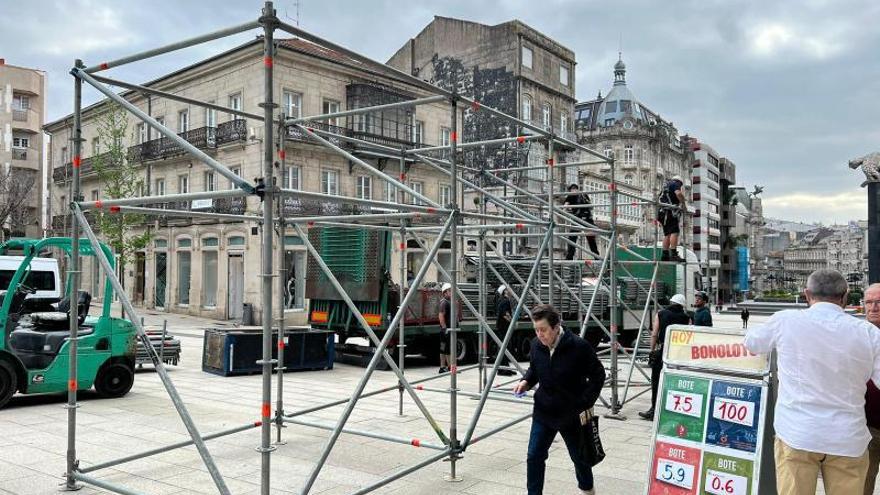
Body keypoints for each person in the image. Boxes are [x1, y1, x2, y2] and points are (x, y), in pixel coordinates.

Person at [745, 269, 880, 495]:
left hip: (798, 434)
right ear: (845, 297)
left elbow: (752, 343)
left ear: (807, 295)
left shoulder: (785, 321)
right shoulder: (868, 334)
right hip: (847, 438)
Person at [513, 304, 605, 495]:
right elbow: (534, 370)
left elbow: (598, 375)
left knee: (579, 458)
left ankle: (587, 489)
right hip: (544, 412)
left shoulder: (579, 347)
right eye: (536, 330)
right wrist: (526, 381)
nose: (540, 334)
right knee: (534, 455)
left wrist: (584, 402)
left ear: (556, 327)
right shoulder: (536, 345)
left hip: (571, 415)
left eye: (544, 330)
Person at [639, 293, 690, 420]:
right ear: (682, 305)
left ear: (671, 302)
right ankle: (672, 410)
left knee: (656, 380)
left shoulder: (661, 314)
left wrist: (652, 350)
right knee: (674, 381)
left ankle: (654, 410)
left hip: (664, 351)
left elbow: (654, 334)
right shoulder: (687, 318)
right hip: (678, 353)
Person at [864, 283, 880, 495]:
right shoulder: (855, 335)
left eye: (879, 302)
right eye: (869, 302)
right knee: (861, 487)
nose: (874, 307)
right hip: (866, 429)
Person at [562, 184, 599, 260]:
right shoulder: (584, 195)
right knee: (591, 240)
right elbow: (591, 207)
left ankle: (569, 258)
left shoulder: (570, 196)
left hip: (578, 219)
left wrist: (566, 211)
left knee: (572, 238)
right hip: (588, 219)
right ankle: (597, 257)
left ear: (570, 190)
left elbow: (565, 208)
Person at [656, 175, 686, 262]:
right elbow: (679, 194)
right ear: (679, 182)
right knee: (674, 232)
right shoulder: (675, 184)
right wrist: (683, 204)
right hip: (669, 212)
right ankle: (673, 254)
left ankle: (665, 255)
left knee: (667, 234)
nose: (680, 187)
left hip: (661, 213)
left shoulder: (665, 186)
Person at [495, 285, 516, 376]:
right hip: (503, 327)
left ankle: (505, 368)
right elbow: (504, 314)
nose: (511, 291)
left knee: (504, 348)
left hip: (502, 327)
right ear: (505, 291)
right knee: (504, 348)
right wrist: (512, 322)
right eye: (509, 289)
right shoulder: (505, 300)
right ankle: (502, 369)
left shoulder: (502, 300)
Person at [438, 282, 454, 374]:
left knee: (444, 349)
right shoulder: (444, 303)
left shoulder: (447, 302)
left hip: (445, 330)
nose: (451, 292)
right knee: (447, 349)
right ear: (445, 293)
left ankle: (443, 367)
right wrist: (445, 328)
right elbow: (441, 315)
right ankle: (450, 368)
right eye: (450, 291)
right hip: (446, 330)